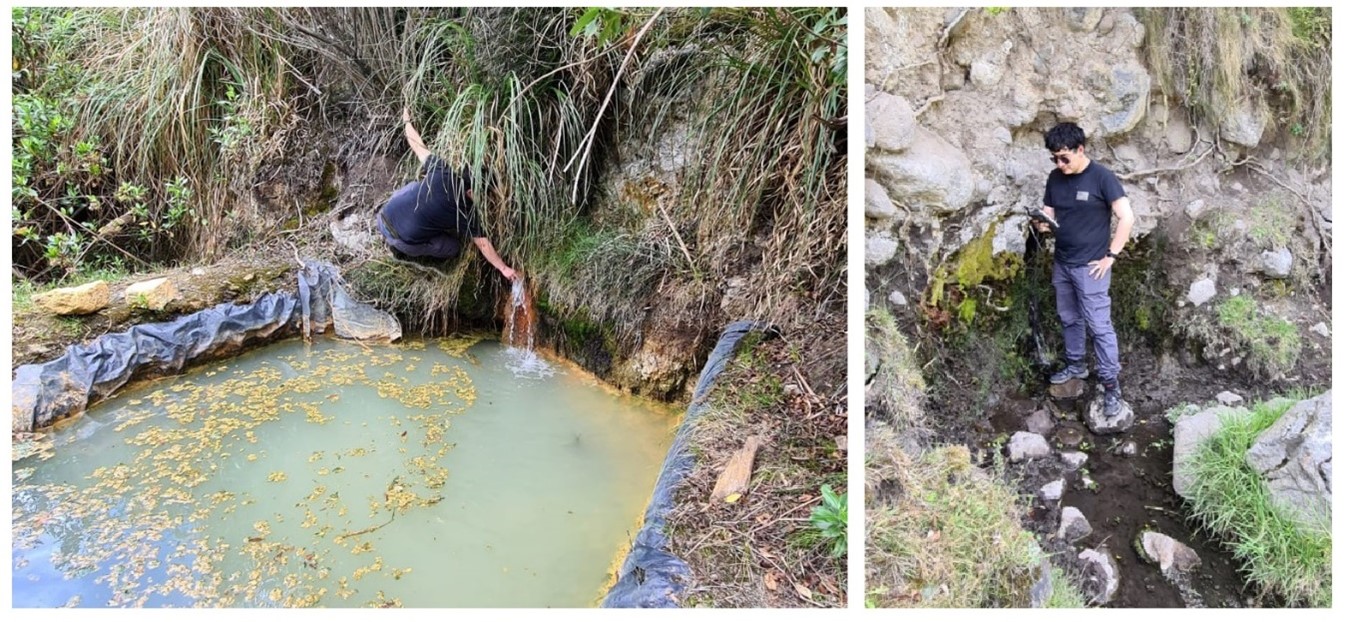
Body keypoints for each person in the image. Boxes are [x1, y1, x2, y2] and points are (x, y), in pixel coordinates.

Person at [1037, 122, 1134, 416]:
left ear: (1081, 150)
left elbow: (1126, 218)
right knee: (1069, 318)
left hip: (1092, 268)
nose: (1059, 164)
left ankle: (1110, 386)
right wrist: (1041, 223)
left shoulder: (1102, 178)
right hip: (1063, 263)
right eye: (1054, 158)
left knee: (1099, 326)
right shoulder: (1055, 178)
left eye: (1064, 158)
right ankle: (1076, 366)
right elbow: (1049, 214)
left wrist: (1110, 257)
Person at [377, 107, 518, 282]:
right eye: (482, 194)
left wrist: (406, 120)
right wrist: (503, 268)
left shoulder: (442, 170)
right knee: (453, 247)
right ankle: (404, 251)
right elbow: (483, 243)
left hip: (384, 214)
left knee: (416, 186)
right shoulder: (465, 211)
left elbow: (416, 144)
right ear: (470, 191)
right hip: (400, 240)